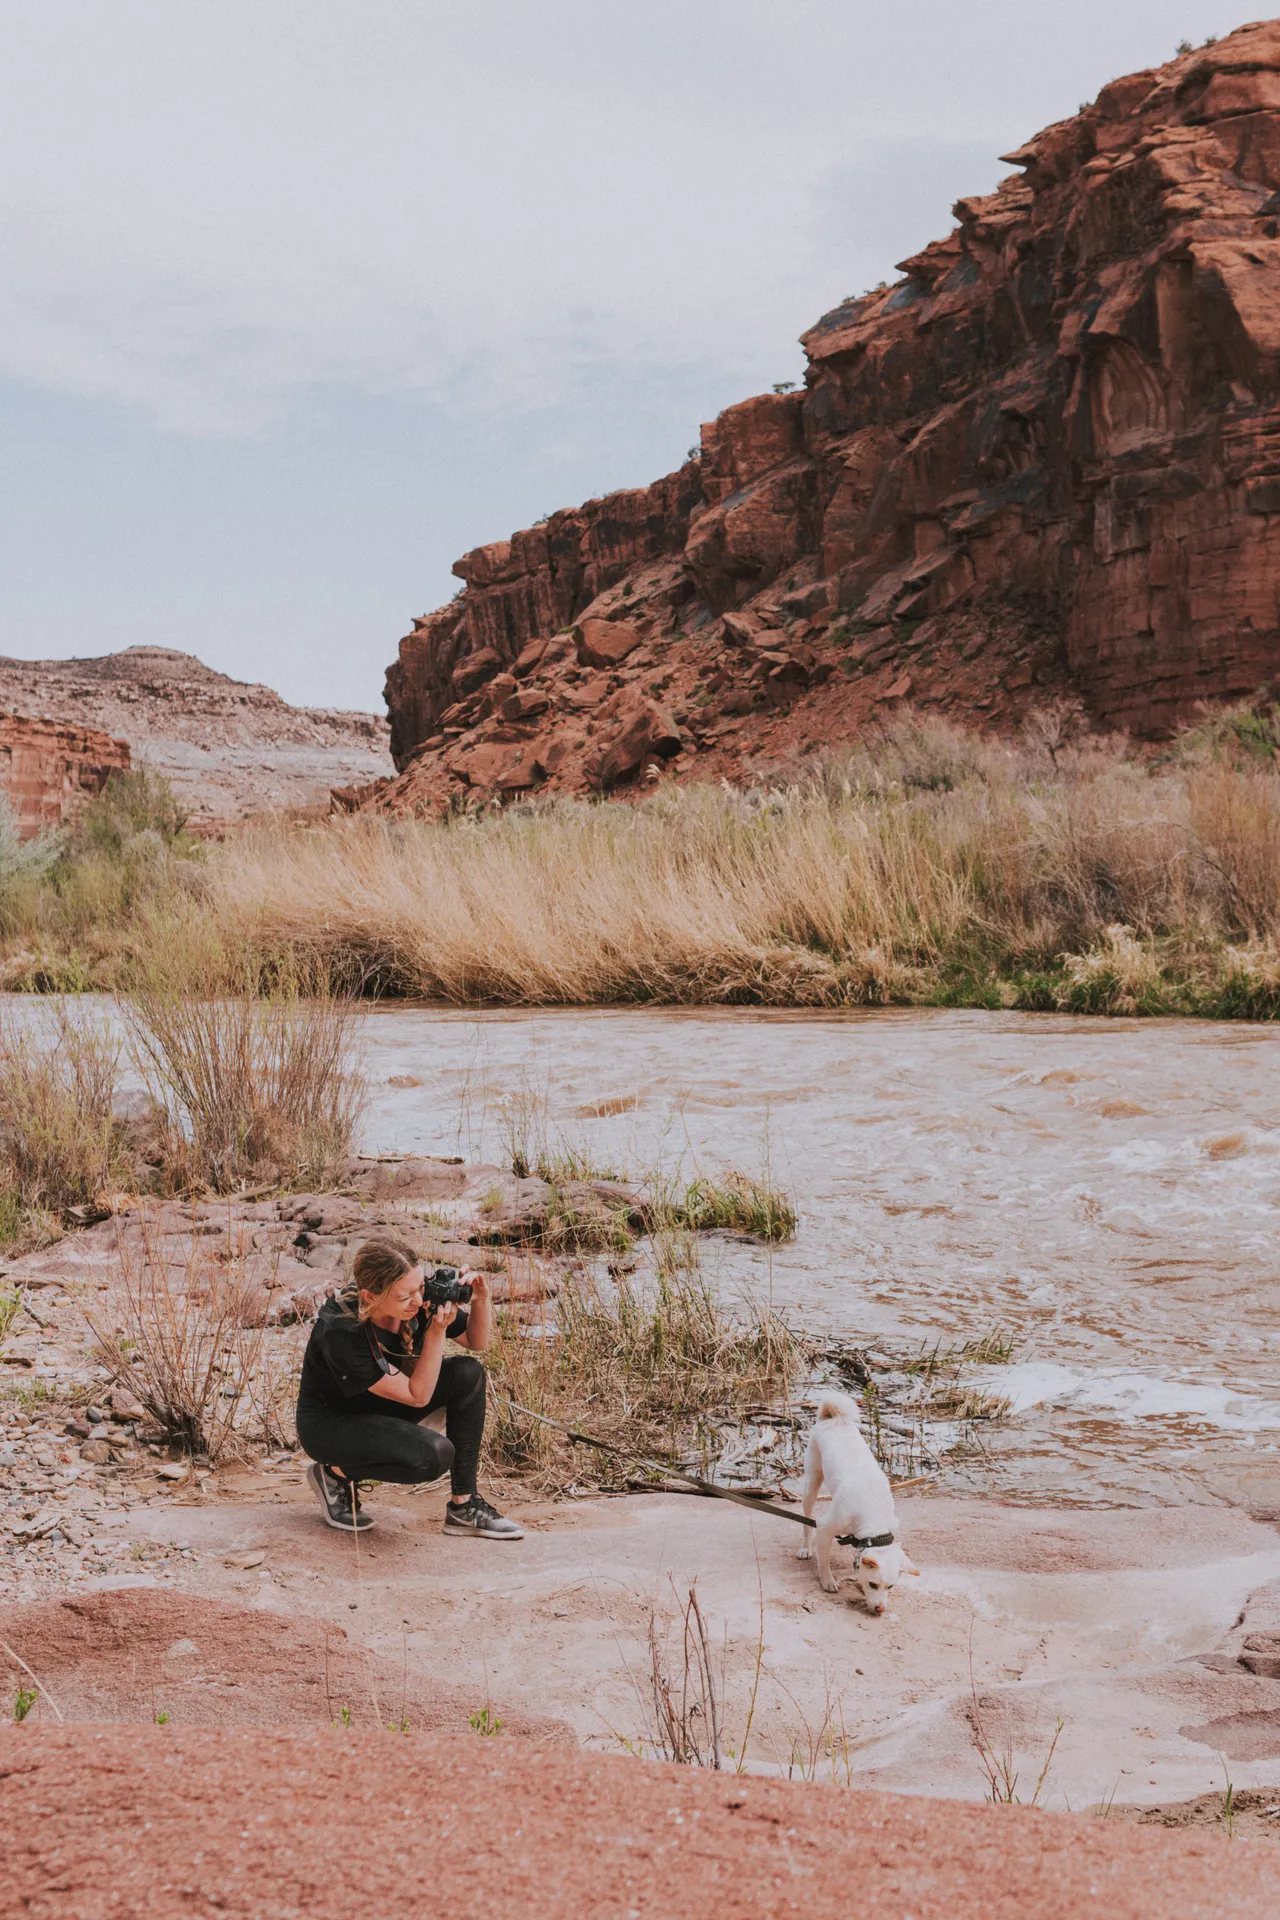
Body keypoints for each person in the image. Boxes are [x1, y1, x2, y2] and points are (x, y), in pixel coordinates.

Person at [295, 1234, 522, 1539]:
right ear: (370, 1296)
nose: (418, 1300)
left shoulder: (416, 1294)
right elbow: (418, 1396)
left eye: (419, 1288)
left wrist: (481, 1299)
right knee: (433, 1456)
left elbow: (476, 1342)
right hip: (332, 1425)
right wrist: (436, 1331)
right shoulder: (340, 1329)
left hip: (383, 1405)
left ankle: (463, 1507)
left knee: (468, 1373)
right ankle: (334, 1474)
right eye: (405, 1296)